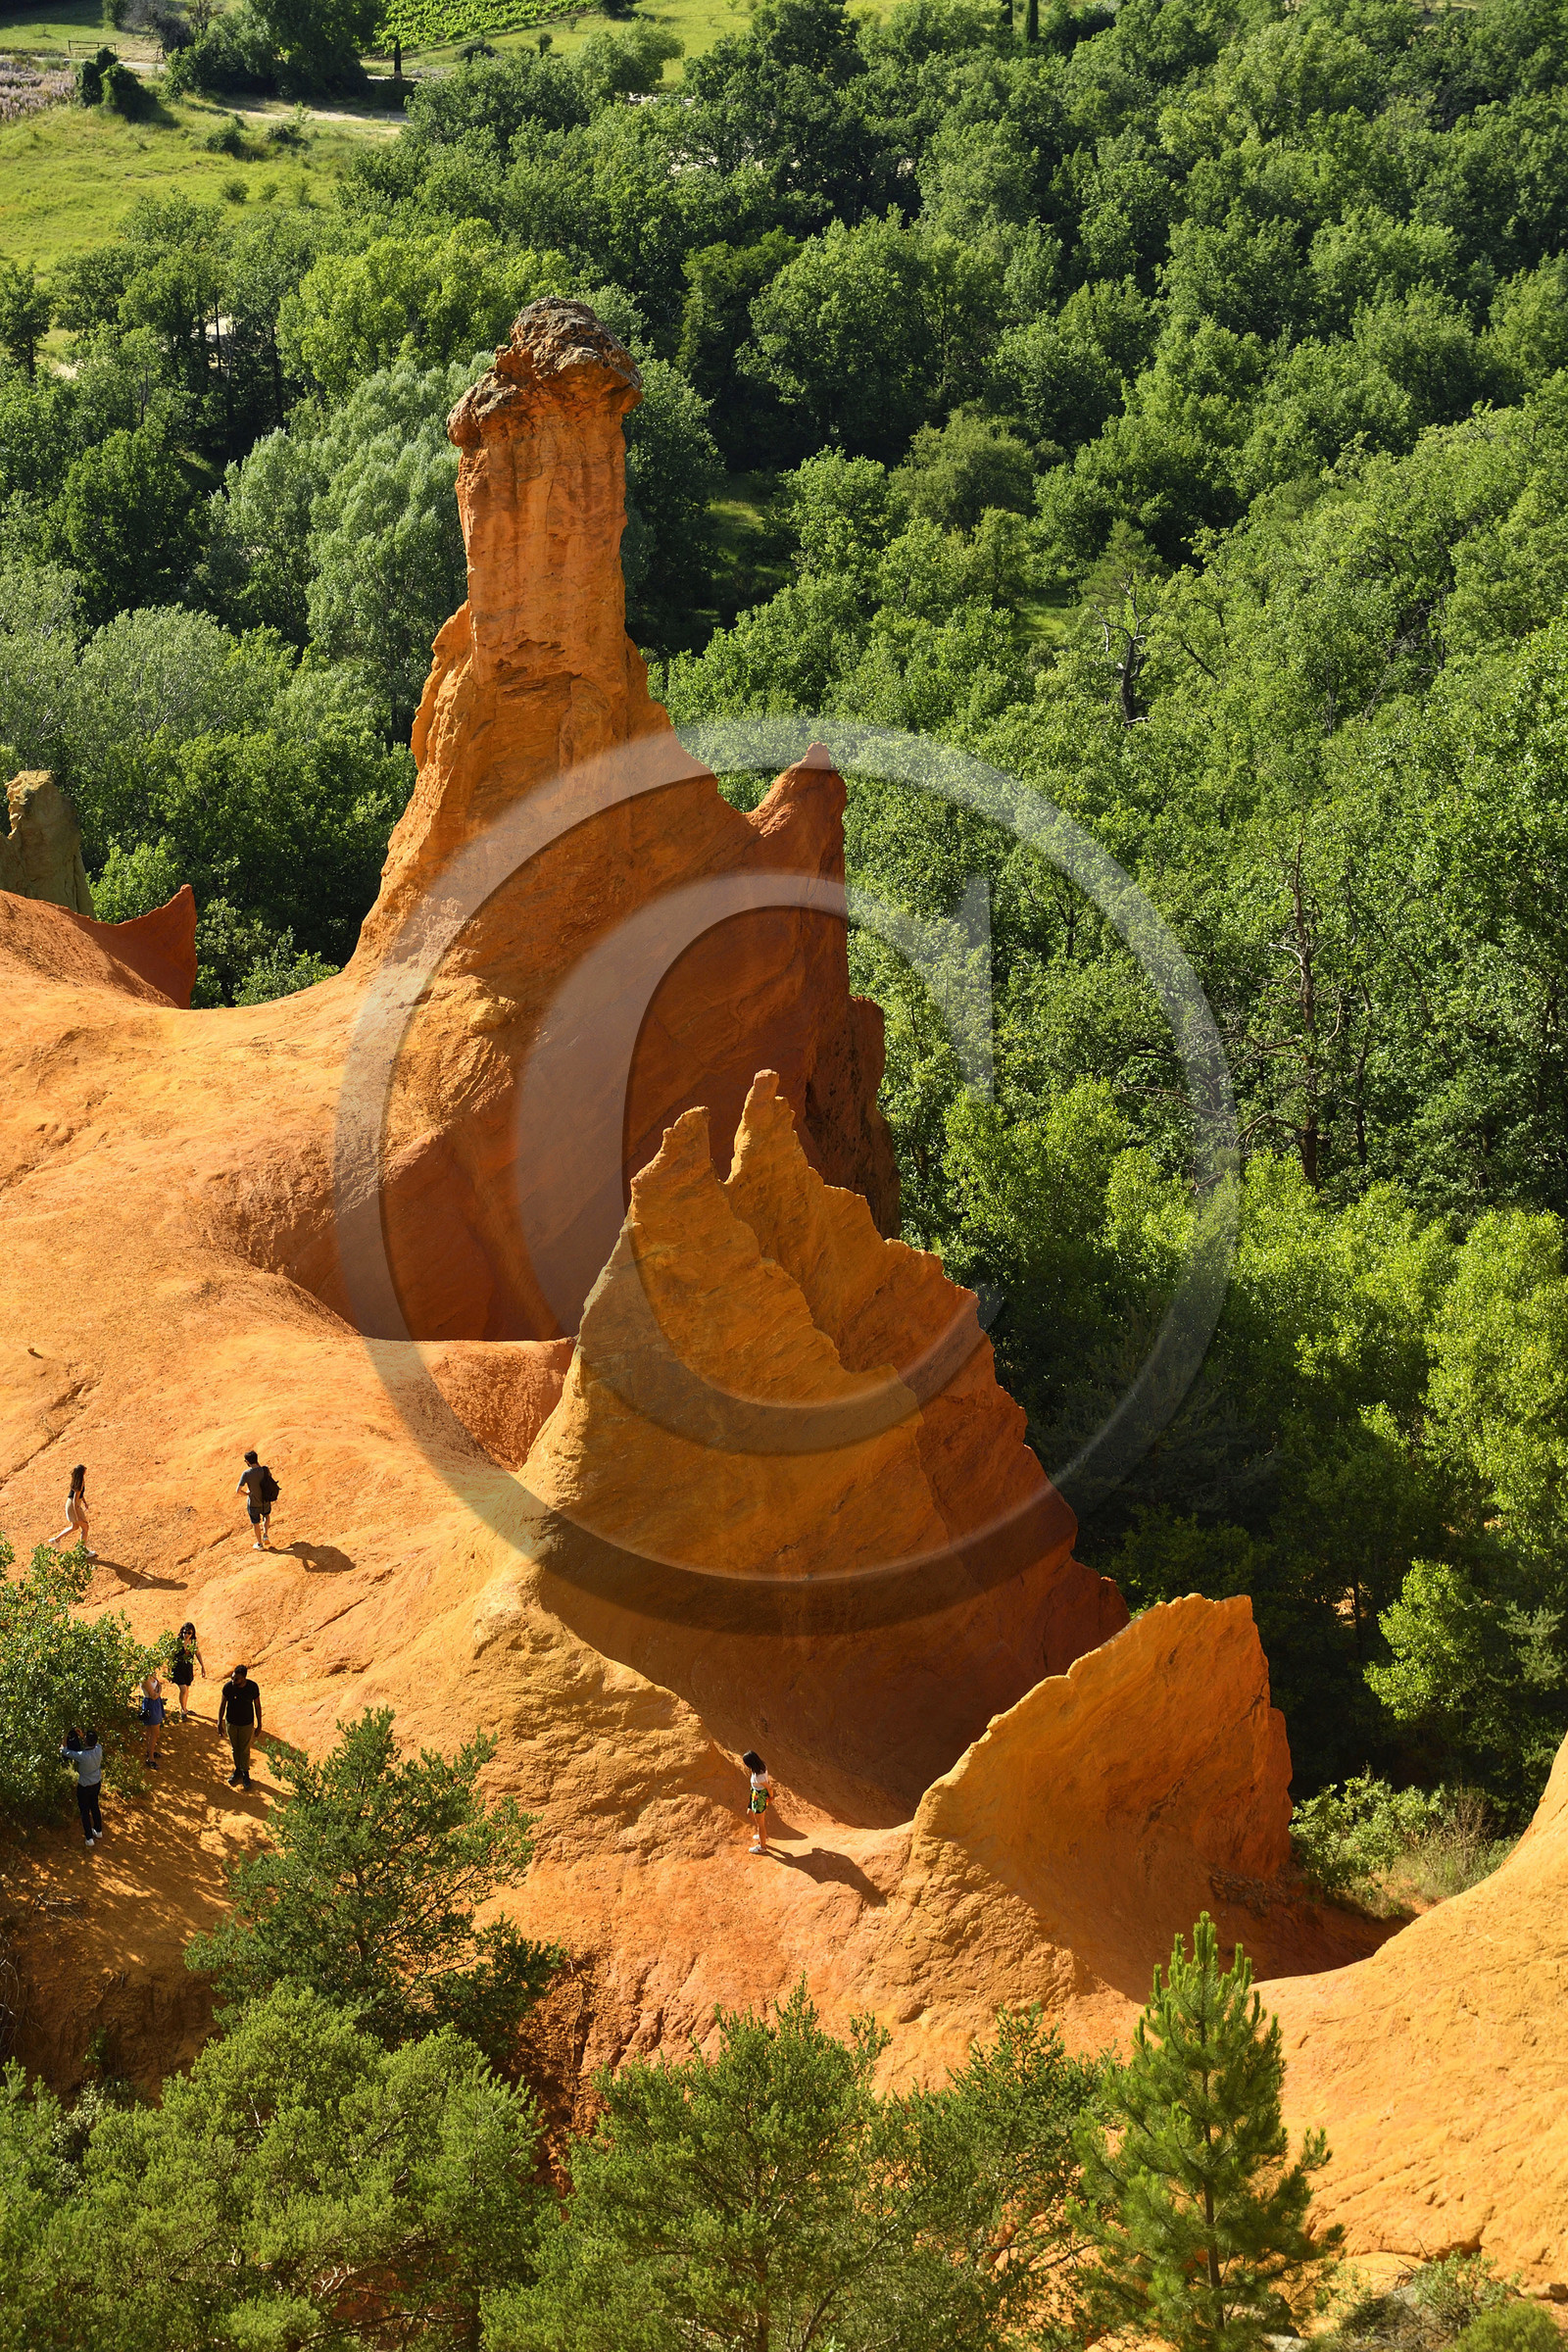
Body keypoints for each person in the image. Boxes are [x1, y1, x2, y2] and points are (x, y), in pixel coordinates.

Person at [218, 1664, 263, 1790]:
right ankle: (238, 1769)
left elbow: (257, 1706)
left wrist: (259, 1725)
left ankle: (245, 1772)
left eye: (236, 1679)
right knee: (234, 1748)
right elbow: (222, 1705)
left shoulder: (252, 1687)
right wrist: (219, 1723)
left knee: (244, 1749)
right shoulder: (228, 1687)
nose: (233, 1681)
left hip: (246, 1724)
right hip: (231, 1723)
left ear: (244, 1678)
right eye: (232, 1678)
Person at [61, 1727, 104, 1847]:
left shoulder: (82, 1756)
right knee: (95, 1806)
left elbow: (65, 1751)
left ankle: (89, 1837)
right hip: (96, 1783)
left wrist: (64, 1739)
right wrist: (83, 1736)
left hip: (84, 1786)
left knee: (84, 1811)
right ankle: (98, 1831)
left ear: (86, 1741)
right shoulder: (99, 1749)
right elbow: (92, 1743)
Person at [50, 1464, 93, 1559]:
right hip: (74, 1506)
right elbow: (75, 1500)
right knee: (85, 1527)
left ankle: (55, 1540)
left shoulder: (77, 1481)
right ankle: (83, 1551)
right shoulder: (80, 1482)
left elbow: (80, 1494)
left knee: (75, 1527)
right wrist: (77, 1515)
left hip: (70, 1504)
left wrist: (85, 1502)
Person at [234, 1449, 275, 1549]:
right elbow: (268, 1478)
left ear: (247, 1462)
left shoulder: (246, 1473)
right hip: (265, 1500)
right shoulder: (265, 1469)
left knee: (255, 1523)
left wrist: (247, 1494)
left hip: (253, 1503)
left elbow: (238, 1490)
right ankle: (265, 1534)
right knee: (266, 1516)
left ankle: (260, 1544)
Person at [169, 1622, 205, 1721]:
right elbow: (171, 1657)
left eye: (189, 1633)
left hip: (187, 1669)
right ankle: (183, 1710)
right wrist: (169, 1671)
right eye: (184, 1632)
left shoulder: (193, 1642)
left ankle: (184, 1708)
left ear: (192, 1633)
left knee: (187, 1690)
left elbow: (197, 1653)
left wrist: (202, 1666)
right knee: (183, 1689)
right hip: (178, 1669)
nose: (186, 1635)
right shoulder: (177, 1642)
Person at [742, 1748, 774, 1855]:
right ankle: (762, 1835)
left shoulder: (758, 1776)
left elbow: (769, 1787)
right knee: (750, 1813)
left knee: (760, 1823)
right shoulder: (761, 1765)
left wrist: (771, 1797)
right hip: (755, 1794)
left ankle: (762, 1846)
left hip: (760, 1797)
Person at [139, 1670, 166, 1768]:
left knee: (150, 1731)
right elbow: (153, 1696)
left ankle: (150, 1751)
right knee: (155, 1732)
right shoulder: (144, 1679)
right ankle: (150, 1758)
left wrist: (158, 1691)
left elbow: (158, 1686)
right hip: (151, 1704)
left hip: (155, 1703)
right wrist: (159, 1691)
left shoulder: (151, 1674)